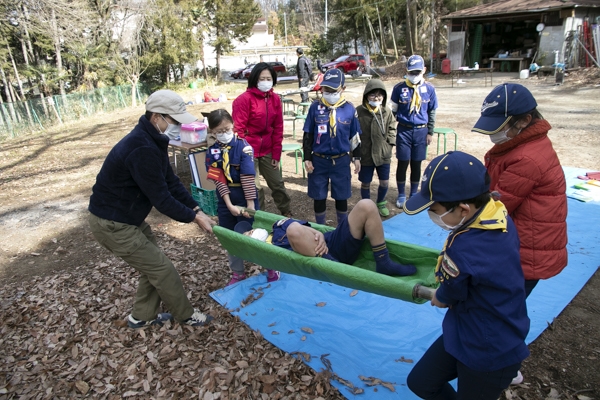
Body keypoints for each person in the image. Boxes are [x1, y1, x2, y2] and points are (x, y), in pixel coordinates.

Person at [402, 151, 530, 400]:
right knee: (421, 382)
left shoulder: (464, 248)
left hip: (489, 347)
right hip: (467, 329)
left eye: (435, 210)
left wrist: (440, 294)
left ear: (463, 209)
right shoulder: (495, 212)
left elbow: (448, 295)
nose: (432, 216)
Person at [88, 90, 216, 329]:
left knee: (154, 267)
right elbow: (162, 198)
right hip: (113, 223)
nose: (179, 126)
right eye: (175, 121)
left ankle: (141, 317)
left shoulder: (154, 140)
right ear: (157, 117)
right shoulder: (141, 148)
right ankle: (186, 315)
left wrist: (196, 207)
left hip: (128, 218)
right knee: (162, 269)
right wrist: (194, 217)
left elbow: (171, 182)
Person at [472, 83, 567, 385]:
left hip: (529, 251)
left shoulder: (527, 158)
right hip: (521, 243)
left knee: (505, 309)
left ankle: (507, 366)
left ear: (524, 120)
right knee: (506, 306)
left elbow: (496, 206)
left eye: (501, 127)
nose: (493, 134)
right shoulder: (516, 146)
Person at [236, 199, 416, 276]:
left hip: (330, 244)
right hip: (319, 261)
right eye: (247, 235)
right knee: (293, 231)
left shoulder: (278, 225)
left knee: (366, 205)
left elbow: (308, 227)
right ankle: (334, 268)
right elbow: (297, 233)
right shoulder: (268, 254)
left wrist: (320, 235)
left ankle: (384, 262)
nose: (250, 232)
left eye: (250, 230)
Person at [205, 109, 280, 286]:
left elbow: (247, 177)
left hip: (246, 195)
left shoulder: (244, 147)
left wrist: (250, 205)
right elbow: (219, 180)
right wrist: (229, 205)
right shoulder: (212, 151)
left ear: (233, 126)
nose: (224, 134)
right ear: (212, 132)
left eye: (227, 129)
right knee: (230, 237)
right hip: (226, 199)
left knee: (257, 234)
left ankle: (270, 266)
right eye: (218, 132)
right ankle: (237, 272)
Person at [302, 68, 362, 226]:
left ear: (343, 89)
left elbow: (354, 136)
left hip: (341, 161)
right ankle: (320, 226)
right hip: (318, 161)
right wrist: (307, 158)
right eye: (325, 89)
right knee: (319, 196)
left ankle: (341, 227)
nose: (328, 92)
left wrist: (356, 157)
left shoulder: (349, 109)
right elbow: (308, 134)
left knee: (341, 196)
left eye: (333, 90)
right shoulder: (315, 107)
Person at [232, 62, 292, 217]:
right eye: (262, 78)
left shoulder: (275, 99)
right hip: (248, 151)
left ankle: (286, 211)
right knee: (255, 187)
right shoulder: (243, 100)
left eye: (268, 78)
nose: (265, 81)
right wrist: (244, 153)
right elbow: (238, 130)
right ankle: (260, 217)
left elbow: (278, 127)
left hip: (268, 149)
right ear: (254, 80)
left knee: (277, 183)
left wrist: (276, 154)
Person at [390, 54, 438, 209]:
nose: (414, 76)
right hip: (404, 130)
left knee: (417, 164)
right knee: (403, 162)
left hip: (421, 131)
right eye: (411, 72)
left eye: (417, 72)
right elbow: (393, 111)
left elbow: (431, 112)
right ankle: (402, 194)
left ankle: (414, 194)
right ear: (406, 71)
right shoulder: (399, 88)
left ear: (424, 70)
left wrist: (429, 131)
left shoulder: (429, 89)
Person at [356, 79, 397, 217]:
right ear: (366, 95)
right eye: (373, 95)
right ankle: (366, 207)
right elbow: (353, 133)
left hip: (383, 153)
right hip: (365, 154)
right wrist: (355, 153)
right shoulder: (359, 112)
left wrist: (389, 145)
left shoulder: (386, 111)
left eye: (380, 95)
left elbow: (392, 128)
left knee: (384, 182)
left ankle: (380, 202)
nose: (376, 98)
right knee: (365, 182)